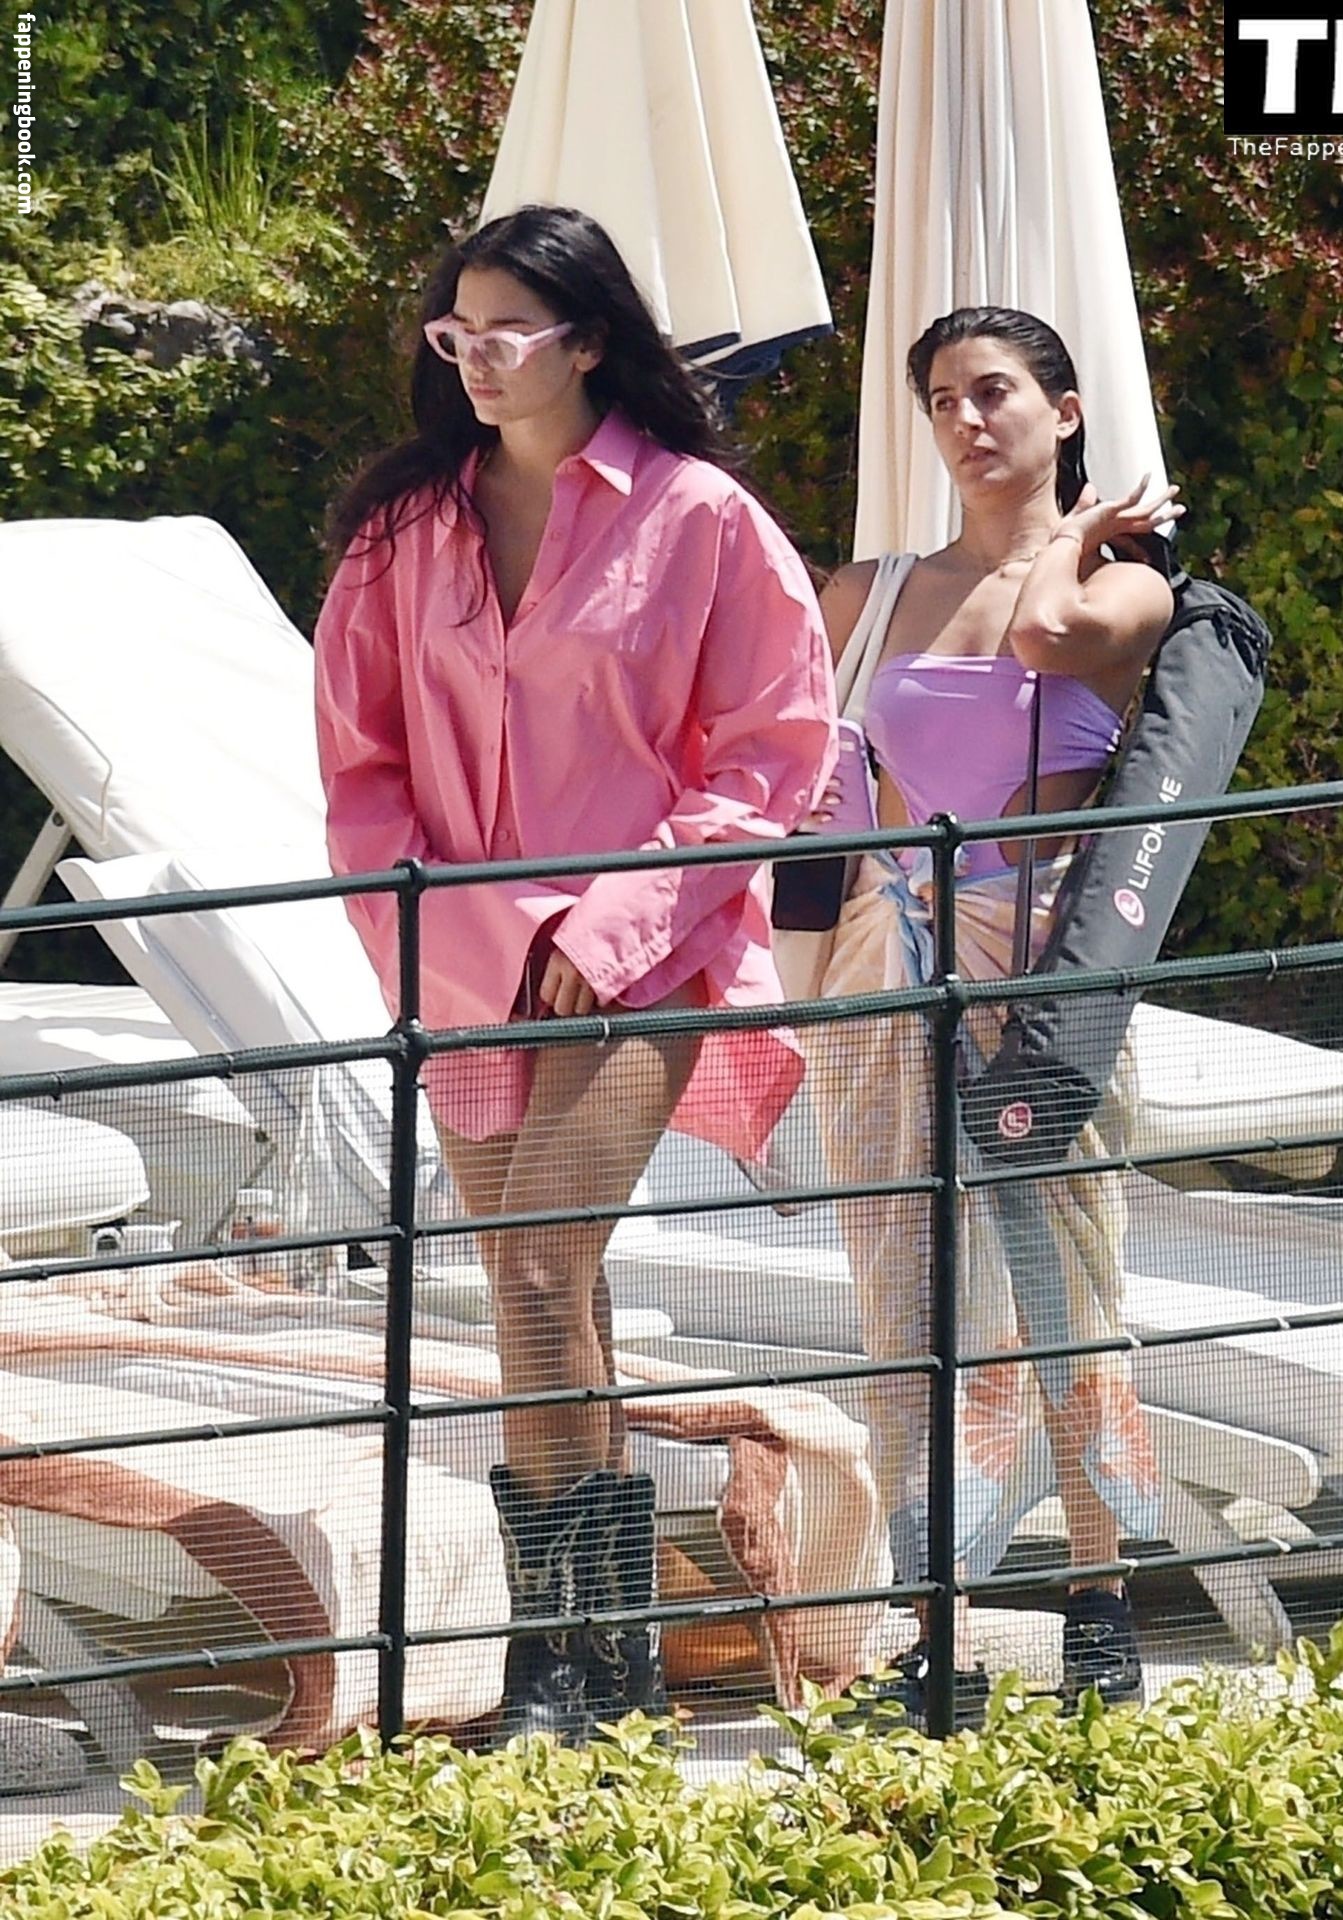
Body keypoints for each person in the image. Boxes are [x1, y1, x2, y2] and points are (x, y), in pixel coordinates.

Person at [313, 204, 835, 1744]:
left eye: (507, 332)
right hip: (463, 961)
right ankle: (610, 1667)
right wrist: (457, 941)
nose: (474, 360)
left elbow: (772, 758)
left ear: (591, 340)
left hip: (642, 959)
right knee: (552, 1301)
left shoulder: (704, 518)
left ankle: (553, 1664)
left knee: (540, 1275)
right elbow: (360, 770)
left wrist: (603, 930)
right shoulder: (403, 529)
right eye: (453, 333)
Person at [806, 307, 1181, 1714]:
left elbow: (1046, 631)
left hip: (1038, 979)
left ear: (1064, 412)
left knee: (1064, 1282)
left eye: (997, 392)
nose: (967, 421)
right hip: (885, 968)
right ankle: (931, 1618)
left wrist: (1071, 533)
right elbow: (817, 794)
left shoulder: (1127, 585)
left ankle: (1099, 1597)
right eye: (944, 400)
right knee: (902, 1294)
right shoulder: (871, 592)